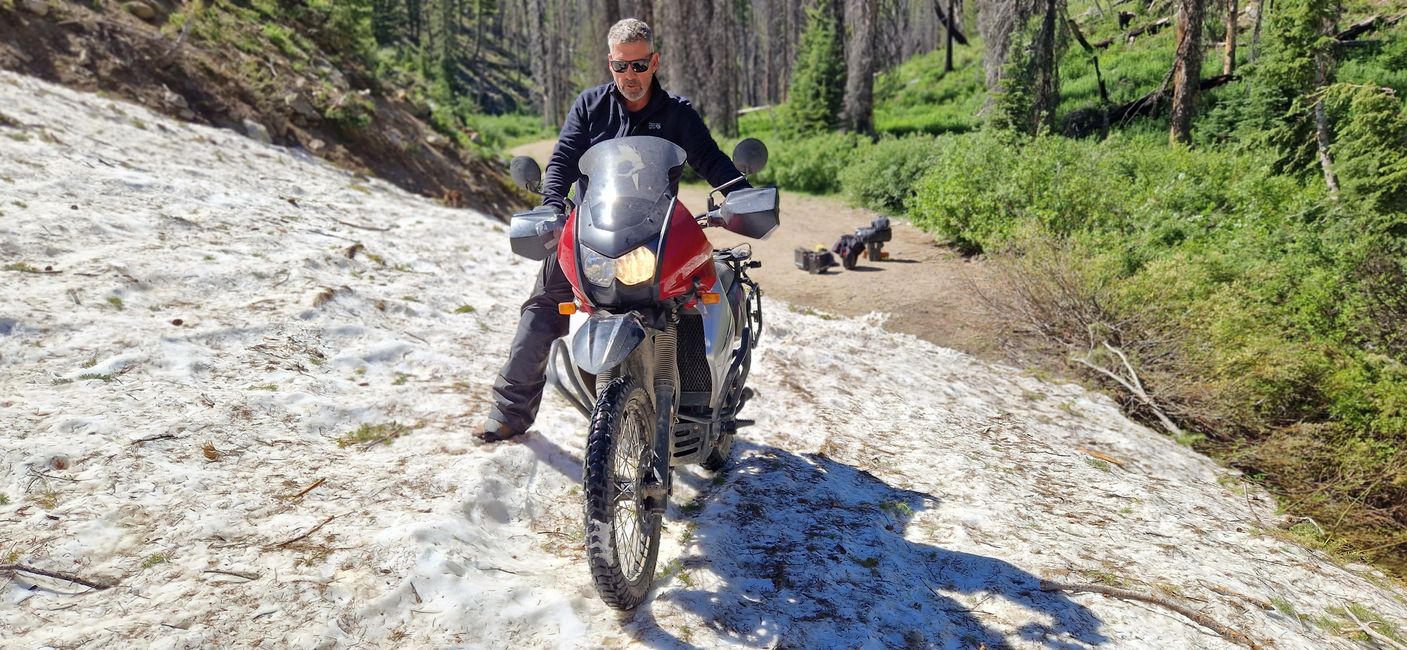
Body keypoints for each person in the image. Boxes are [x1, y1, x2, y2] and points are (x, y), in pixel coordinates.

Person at [479, 18, 751, 443]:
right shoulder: (590, 107)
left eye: (639, 66)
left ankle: (699, 403)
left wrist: (741, 196)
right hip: (593, 232)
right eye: (621, 67)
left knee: (696, 299)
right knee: (544, 301)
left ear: (654, 62)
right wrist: (552, 205)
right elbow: (563, 161)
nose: (630, 77)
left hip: (655, 236)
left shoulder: (678, 113)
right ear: (610, 64)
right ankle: (510, 411)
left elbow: (712, 160)